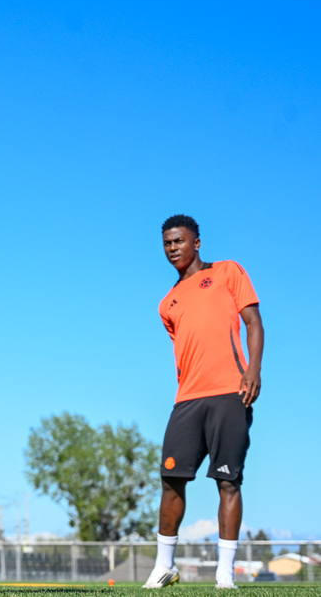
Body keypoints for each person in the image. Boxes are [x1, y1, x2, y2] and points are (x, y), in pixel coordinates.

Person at [144, 214, 263, 590]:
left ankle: (225, 573)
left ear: (196, 242)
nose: (172, 248)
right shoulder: (167, 303)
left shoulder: (227, 272)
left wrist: (253, 370)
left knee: (228, 481)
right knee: (170, 479)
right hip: (188, 400)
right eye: (167, 243)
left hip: (230, 392)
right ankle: (164, 567)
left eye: (178, 241)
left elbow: (253, 322)